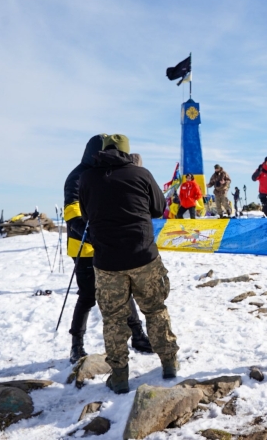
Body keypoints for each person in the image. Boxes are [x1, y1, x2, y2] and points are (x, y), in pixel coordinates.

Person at [80, 134, 180, 393]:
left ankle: (120, 376)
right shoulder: (141, 174)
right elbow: (159, 208)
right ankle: (169, 363)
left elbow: (85, 213)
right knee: (155, 310)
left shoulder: (88, 178)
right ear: (127, 152)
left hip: (107, 261)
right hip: (143, 256)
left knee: (113, 319)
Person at [64, 135, 152, 364]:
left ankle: (138, 335)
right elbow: (72, 213)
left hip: (109, 245)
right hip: (84, 248)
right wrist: (94, 234)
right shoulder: (77, 176)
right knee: (87, 296)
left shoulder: (103, 172)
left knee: (125, 291)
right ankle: (77, 345)